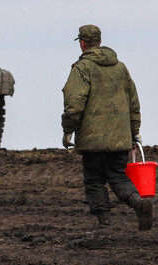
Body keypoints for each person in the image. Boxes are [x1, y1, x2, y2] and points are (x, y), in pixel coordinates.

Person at [62, 24, 152, 230]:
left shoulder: (82, 68)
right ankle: (139, 204)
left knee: (94, 180)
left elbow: (74, 104)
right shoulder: (120, 68)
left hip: (92, 139)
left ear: (82, 43)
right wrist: (134, 132)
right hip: (120, 137)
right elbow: (133, 103)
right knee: (117, 175)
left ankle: (105, 224)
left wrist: (68, 130)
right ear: (100, 41)